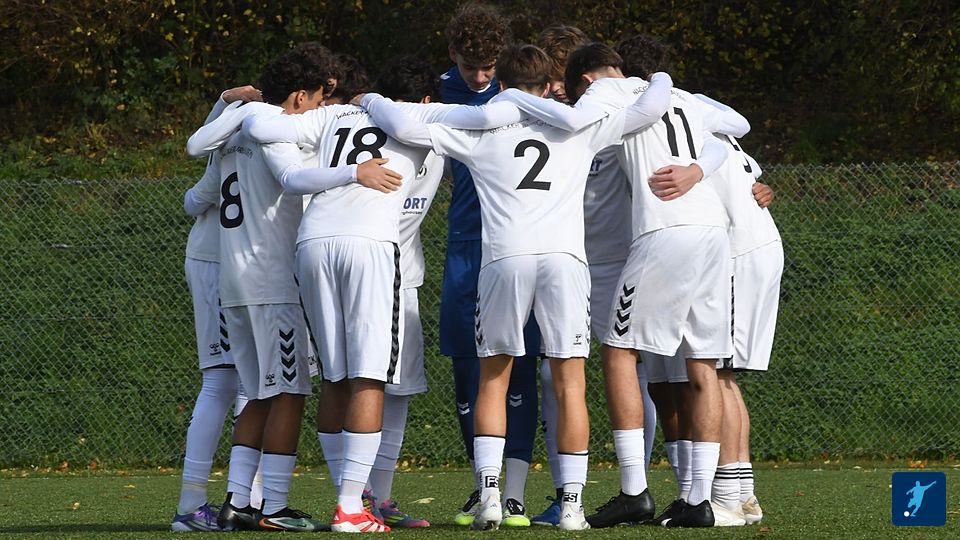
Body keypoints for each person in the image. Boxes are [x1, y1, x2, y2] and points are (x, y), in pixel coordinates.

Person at [359, 42, 676, 531]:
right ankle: (572, 507)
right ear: (549, 85)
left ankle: (490, 497)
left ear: (501, 85)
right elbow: (649, 110)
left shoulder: (482, 129)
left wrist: (369, 99)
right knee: (570, 382)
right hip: (565, 262)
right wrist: (659, 77)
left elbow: (404, 126)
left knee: (494, 377)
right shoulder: (581, 126)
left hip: (505, 259)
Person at [243, 53, 525, 533]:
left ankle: (353, 499)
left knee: (335, 377)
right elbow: (486, 117)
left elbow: (262, 127)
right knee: (370, 377)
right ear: (424, 97)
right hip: (370, 245)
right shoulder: (421, 114)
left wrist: (239, 105)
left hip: (313, 243)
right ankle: (352, 507)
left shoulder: (336, 112)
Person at [561, 40, 745, 527]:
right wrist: (696, 169)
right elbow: (733, 130)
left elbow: (576, 126)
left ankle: (633, 490)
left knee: (618, 350)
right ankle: (697, 500)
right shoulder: (684, 97)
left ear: (586, 79)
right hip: (712, 232)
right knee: (702, 364)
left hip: (664, 230)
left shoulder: (605, 92)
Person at [184, 43, 342, 532]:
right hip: (273, 282)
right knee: (289, 392)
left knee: (256, 394)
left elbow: (198, 169)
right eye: (317, 100)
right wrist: (353, 173)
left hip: (234, 281)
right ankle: (273, 505)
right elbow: (294, 179)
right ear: (299, 96)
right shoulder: (275, 129)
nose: (317, 109)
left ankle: (236, 501)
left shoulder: (232, 134)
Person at [531, 25, 659, 527]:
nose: (557, 88)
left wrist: (748, 181)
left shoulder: (619, 112)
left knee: (638, 371)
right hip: (565, 261)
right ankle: (567, 494)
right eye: (551, 79)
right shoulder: (545, 120)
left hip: (619, 261)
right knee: (554, 374)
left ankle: (637, 484)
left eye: (563, 79)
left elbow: (688, 145)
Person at [439, 2, 539, 528]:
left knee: (521, 364)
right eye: (470, 67)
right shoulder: (435, 93)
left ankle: (514, 492)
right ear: (452, 54)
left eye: (488, 67)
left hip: (520, 243)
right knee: (467, 367)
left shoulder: (524, 91)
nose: (480, 77)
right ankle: (486, 486)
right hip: (467, 242)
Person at [172, 86, 259, 531]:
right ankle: (191, 505)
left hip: (248, 264)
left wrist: (226, 101)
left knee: (253, 384)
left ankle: (245, 500)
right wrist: (227, 101)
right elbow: (203, 181)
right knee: (223, 380)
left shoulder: (257, 125)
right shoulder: (251, 126)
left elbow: (195, 197)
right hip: (217, 261)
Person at [697, 100, 782, 525]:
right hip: (758, 249)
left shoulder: (689, 131)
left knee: (715, 374)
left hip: (739, 255)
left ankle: (728, 497)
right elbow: (753, 180)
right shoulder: (721, 132)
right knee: (724, 376)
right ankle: (743, 494)